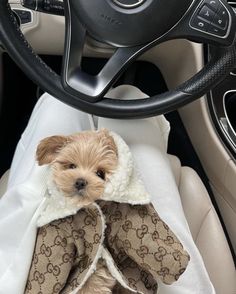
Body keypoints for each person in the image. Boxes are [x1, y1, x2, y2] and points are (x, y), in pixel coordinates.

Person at [0, 85, 215, 294]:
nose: (82, 179)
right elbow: (165, 254)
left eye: (99, 174)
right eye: (72, 166)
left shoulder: (57, 226)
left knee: (60, 100)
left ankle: (76, 91)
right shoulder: (126, 212)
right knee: (130, 100)